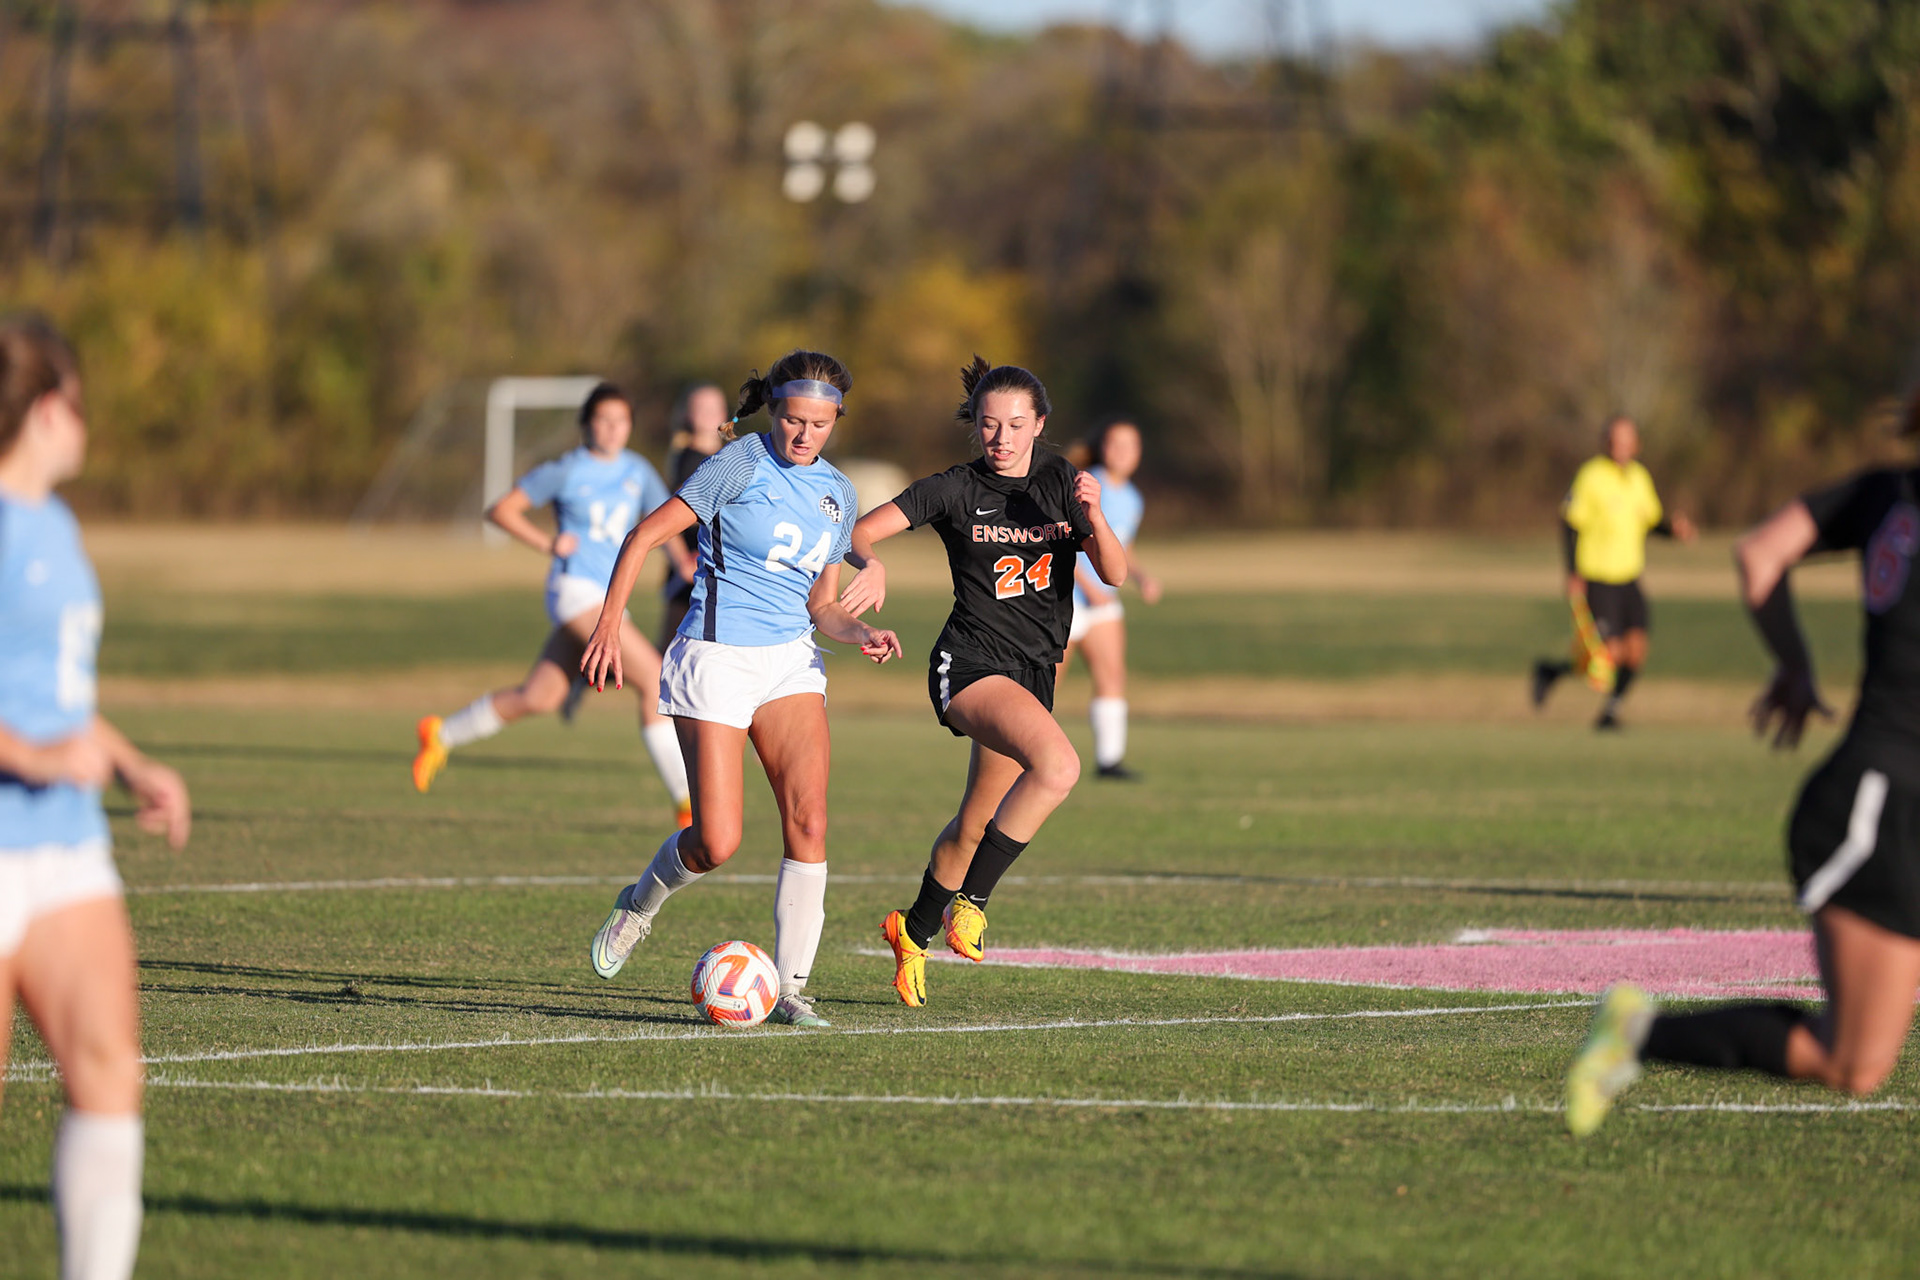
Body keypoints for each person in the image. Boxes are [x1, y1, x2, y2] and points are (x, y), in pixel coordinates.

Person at [1565, 418, 1920, 1135]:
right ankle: (1635, 1034)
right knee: (1850, 1061)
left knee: (1857, 1067)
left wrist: (1792, 661)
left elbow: (1761, 552)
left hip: (1882, 790)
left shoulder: (1885, 493)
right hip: (1880, 811)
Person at [582, 351, 901, 1029]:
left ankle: (790, 989)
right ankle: (638, 906)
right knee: (715, 843)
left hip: (790, 660)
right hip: (717, 656)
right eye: (791, 418)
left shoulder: (839, 493)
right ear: (774, 411)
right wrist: (610, 625)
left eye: (818, 423)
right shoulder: (741, 461)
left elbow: (823, 606)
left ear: (836, 419)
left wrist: (862, 632)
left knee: (809, 821)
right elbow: (645, 535)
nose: (802, 433)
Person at [0, 315, 192, 1280]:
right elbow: (31, 730)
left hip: (67, 846)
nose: (88, 424)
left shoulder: (57, 526)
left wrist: (127, 761)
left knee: (110, 1074)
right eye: (77, 404)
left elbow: (54, 694)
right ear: (43, 411)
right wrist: (30, 755)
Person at [844, 357, 1127, 1007]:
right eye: (989, 424)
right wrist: (870, 564)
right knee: (1058, 766)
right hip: (969, 665)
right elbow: (862, 531)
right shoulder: (952, 488)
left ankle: (910, 933)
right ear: (974, 426)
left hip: (1033, 674)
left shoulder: (1061, 483)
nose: (1001, 437)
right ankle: (971, 903)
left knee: (974, 825)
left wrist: (1097, 516)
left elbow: (1111, 573)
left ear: (1040, 426)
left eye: (1015, 425)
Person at [411, 382, 695, 827]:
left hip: (606, 599)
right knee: (657, 681)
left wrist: (682, 562)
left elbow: (663, 524)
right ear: (586, 425)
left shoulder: (637, 470)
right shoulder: (567, 469)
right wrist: (549, 543)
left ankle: (440, 733)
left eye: (620, 421)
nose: (612, 429)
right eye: (602, 420)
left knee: (539, 697)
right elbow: (501, 511)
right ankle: (685, 801)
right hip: (576, 592)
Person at [1531, 415, 1696, 728]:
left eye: (1626, 439)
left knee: (1636, 653)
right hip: (1598, 576)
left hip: (1629, 578)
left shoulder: (1639, 478)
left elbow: (1651, 521)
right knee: (1610, 656)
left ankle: (1610, 713)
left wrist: (1674, 530)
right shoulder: (1591, 476)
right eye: (1614, 438)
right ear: (1605, 442)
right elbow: (1569, 523)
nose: (1619, 445)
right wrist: (1572, 572)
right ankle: (1551, 672)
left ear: (1636, 444)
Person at [1056, 416, 1162, 779]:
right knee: (1047, 682)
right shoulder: (1088, 484)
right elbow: (1059, 543)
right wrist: (1089, 589)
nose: (1123, 452)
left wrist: (1140, 576)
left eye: (1131, 446)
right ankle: (1026, 754)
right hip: (1066, 601)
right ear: (1103, 447)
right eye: (1116, 444)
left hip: (1103, 603)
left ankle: (1109, 761)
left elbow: (1121, 548)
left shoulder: (1132, 497)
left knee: (1112, 675)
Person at [659, 382, 729, 647]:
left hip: (714, 568)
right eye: (702, 408)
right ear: (688, 414)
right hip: (693, 569)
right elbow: (666, 517)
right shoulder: (691, 460)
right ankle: (589, 673)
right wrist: (681, 561)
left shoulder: (725, 458)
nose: (710, 413)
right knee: (669, 653)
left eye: (715, 407)